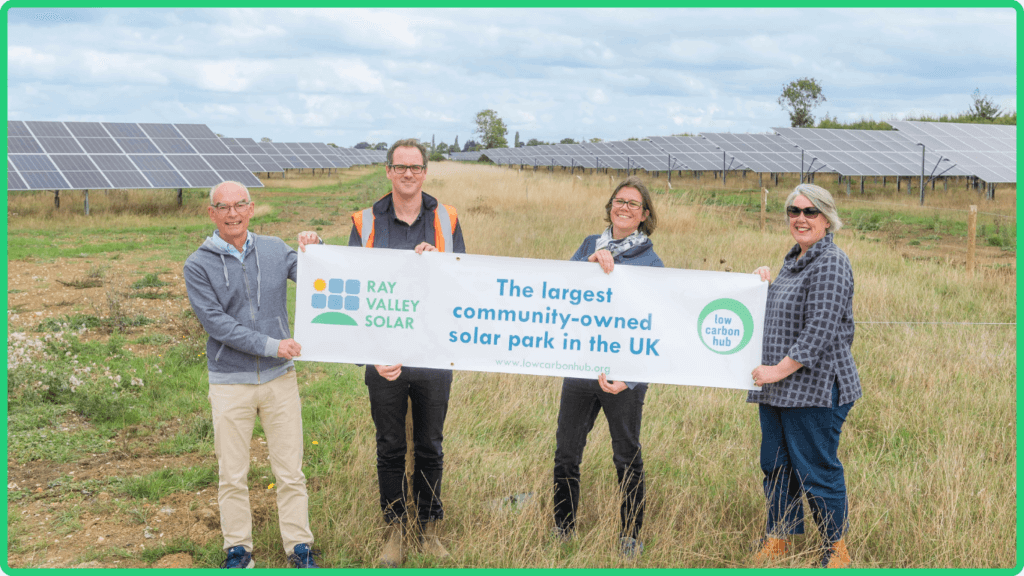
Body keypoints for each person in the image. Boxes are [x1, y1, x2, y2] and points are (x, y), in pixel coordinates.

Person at [297, 139, 465, 567]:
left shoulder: (446, 219)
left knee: (429, 444)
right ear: (388, 171)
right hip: (383, 356)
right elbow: (352, 285)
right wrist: (314, 248)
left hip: (431, 353)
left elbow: (463, 283)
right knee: (390, 445)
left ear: (425, 172)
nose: (408, 174)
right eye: (400, 167)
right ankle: (394, 529)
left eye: (416, 167)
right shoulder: (366, 220)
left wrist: (439, 262)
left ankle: (427, 529)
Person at [184, 181, 320, 569]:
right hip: (230, 382)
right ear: (211, 213)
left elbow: (317, 275)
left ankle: (299, 548)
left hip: (279, 379)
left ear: (252, 208)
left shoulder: (276, 250)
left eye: (239, 205)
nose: (232, 214)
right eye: (223, 207)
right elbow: (216, 324)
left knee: (290, 471)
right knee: (232, 473)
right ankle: (238, 550)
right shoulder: (198, 265)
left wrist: (316, 245)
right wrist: (271, 344)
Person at [749, 183, 861, 569]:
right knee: (777, 465)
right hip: (779, 390)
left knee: (816, 469)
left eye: (810, 212)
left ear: (827, 218)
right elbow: (779, 316)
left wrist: (776, 370)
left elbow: (820, 329)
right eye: (793, 211)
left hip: (815, 389)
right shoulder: (794, 259)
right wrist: (758, 286)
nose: (800, 218)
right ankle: (779, 538)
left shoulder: (831, 261)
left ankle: (836, 549)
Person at [552, 176, 663, 559]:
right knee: (567, 452)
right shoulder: (588, 245)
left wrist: (630, 379)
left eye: (634, 204)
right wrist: (587, 266)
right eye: (620, 201)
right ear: (610, 207)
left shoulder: (651, 262)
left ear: (645, 215)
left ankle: (630, 534)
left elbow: (657, 325)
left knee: (627, 454)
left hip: (623, 375)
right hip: (581, 367)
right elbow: (562, 291)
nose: (625, 208)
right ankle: (563, 527)